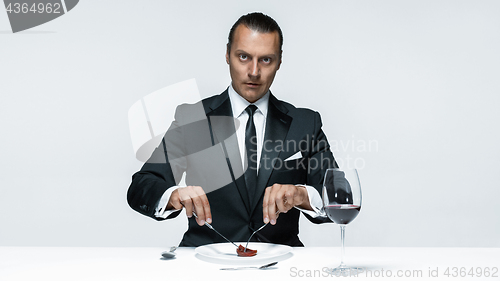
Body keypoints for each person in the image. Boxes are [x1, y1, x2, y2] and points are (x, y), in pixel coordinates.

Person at [127, 12, 337, 247]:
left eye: (266, 60)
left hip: (281, 265)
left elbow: (339, 195)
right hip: (204, 261)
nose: (254, 71)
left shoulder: (305, 123)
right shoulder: (192, 118)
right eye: (244, 57)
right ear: (227, 55)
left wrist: (301, 195)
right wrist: (174, 195)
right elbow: (141, 186)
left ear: (279, 61)